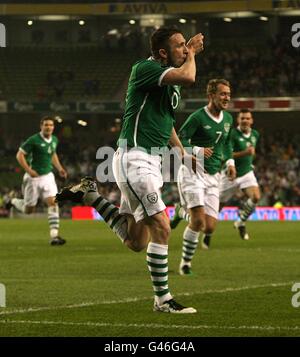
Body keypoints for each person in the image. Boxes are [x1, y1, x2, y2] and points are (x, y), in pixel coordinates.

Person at [56, 26, 204, 313]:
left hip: (150, 162)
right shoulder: (145, 68)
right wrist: (195, 53)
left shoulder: (167, 81)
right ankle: (163, 300)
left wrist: (182, 154)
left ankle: (91, 197)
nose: (185, 49)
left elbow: (165, 121)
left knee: (136, 241)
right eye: (180, 45)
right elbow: (190, 76)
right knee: (162, 225)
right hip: (136, 159)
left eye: (186, 45)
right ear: (163, 52)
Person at [170, 79, 236, 275]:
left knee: (208, 227)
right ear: (211, 96)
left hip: (213, 176)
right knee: (197, 222)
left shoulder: (228, 120)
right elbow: (180, 139)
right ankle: (185, 264)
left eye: (228, 94)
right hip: (193, 172)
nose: (227, 98)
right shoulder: (198, 117)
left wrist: (230, 163)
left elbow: (226, 143)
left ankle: (180, 212)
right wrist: (197, 149)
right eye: (223, 94)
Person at [6, 116, 68, 245]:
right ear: (41, 126)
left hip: (48, 177)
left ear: (53, 127)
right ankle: (12, 201)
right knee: (29, 210)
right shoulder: (33, 140)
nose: (48, 127)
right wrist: (29, 170)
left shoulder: (54, 139)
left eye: (51, 125)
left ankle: (54, 236)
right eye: (46, 125)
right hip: (33, 178)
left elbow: (52, 154)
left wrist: (60, 168)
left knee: (53, 203)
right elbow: (19, 155)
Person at [219, 108, 260, 240]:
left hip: (246, 172)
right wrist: (245, 153)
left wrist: (249, 161)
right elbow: (227, 153)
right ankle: (207, 233)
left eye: (247, 118)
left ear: (251, 120)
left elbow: (251, 153)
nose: (245, 121)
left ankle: (241, 222)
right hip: (230, 175)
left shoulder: (255, 134)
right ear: (238, 120)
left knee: (256, 197)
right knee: (216, 209)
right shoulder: (232, 134)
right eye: (242, 118)